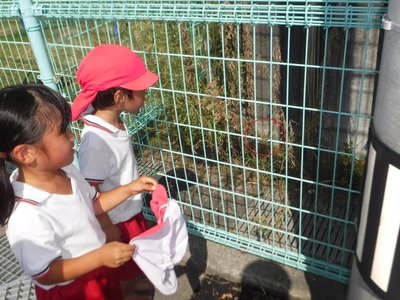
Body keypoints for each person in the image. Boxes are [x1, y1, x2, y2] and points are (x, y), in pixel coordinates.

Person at [0, 84, 157, 300]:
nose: (73, 136)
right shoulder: (26, 213)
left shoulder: (67, 171)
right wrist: (99, 257)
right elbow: (45, 273)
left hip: (98, 269)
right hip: (74, 289)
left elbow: (93, 204)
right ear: (26, 153)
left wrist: (130, 188)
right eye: (63, 131)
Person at [71, 44, 159, 299]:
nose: (146, 93)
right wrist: (107, 227)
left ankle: (133, 283)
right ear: (120, 96)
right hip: (117, 219)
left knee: (133, 260)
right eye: (142, 89)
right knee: (124, 269)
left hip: (127, 209)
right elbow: (91, 192)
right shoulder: (96, 143)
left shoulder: (112, 120)